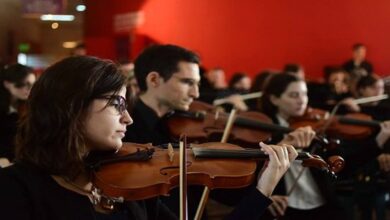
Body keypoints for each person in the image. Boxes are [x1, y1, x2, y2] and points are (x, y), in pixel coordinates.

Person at [0, 55, 298, 220]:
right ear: (72, 106)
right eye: (116, 104)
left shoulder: (127, 184)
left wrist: (264, 187)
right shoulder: (16, 187)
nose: (127, 118)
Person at [258, 73, 390, 220]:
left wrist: (378, 141)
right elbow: (252, 170)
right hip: (284, 209)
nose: (302, 101)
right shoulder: (262, 132)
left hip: (323, 205)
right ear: (274, 99)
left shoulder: (316, 127)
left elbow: (344, 164)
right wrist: (283, 144)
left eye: (304, 94)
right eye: (294, 95)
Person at [0, 64, 36, 164]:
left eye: (32, 85)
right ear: (7, 83)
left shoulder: (29, 108)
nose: (29, 89)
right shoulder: (5, 112)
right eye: (24, 84)